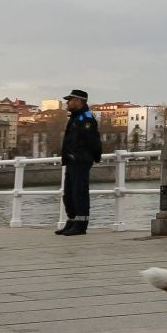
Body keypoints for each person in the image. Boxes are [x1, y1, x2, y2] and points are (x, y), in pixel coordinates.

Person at [58, 88, 101, 236]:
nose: (67, 103)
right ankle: (72, 221)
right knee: (68, 194)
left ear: (79, 101)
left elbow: (92, 141)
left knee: (79, 192)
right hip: (71, 161)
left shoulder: (86, 118)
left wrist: (87, 157)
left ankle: (81, 225)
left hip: (80, 161)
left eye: (70, 100)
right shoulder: (75, 117)